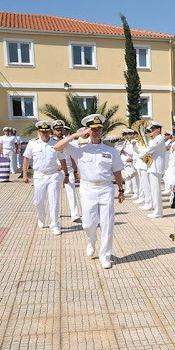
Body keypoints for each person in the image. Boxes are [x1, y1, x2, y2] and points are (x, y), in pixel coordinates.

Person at [54, 114, 125, 269]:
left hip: (106, 188)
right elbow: (57, 147)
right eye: (93, 129)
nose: (97, 132)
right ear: (88, 130)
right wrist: (74, 135)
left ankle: (105, 255)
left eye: (99, 128)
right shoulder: (79, 148)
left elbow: (117, 171)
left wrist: (120, 190)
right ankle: (91, 240)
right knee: (88, 223)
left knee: (107, 224)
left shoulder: (110, 150)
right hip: (88, 188)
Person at [22, 121, 69, 236]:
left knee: (54, 200)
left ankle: (55, 224)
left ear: (50, 131)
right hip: (39, 175)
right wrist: (24, 174)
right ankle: (41, 217)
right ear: (39, 132)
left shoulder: (55, 143)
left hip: (53, 175)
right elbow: (26, 159)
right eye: (43, 132)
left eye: (47, 131)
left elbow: (62, 159)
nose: (45, 134)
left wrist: (66, 174)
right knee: (38, 201)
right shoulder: (33, 144)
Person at [52, 121, 81, 223]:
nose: (60, 132)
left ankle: (74, 214)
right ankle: (55, 212)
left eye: (61, 130)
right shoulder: (51, 142)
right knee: (55, 193)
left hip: (68, 169)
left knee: (71, 192)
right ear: (53, 131)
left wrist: (75, 170)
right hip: (55, 171)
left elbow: (72, 157)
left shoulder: (68, 142)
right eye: (57, 130)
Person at [138, 121, 167, 218]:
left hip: (156, 167)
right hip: (152, 166)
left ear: (158, 129)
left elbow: (150, 148)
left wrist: (140, 155)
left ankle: (158, 211)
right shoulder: (156, 139)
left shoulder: (159, 139)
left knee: (156, 190)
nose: (152, 131)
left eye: (153, 129)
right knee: (154, 190)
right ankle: (156, 210)